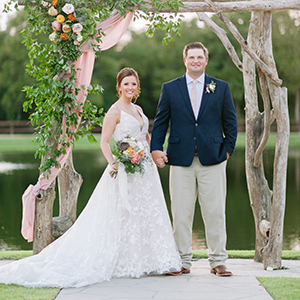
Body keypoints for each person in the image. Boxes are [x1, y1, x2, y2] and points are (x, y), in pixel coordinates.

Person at [0, 68, 182, 288]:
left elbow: (145, 136)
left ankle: (149, 259)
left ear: (137, 86)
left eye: (133, 84)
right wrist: (114, 162)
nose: (130, 88)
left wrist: (152, 155)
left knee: (144, 212)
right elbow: (105, 142)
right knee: (121, 213)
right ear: (119, 87)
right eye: (126, 84)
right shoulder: (115, 112)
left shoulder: (138, 109)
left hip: (144, 169)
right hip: (124, 168)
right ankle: (121, 260)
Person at [150, 42, 238, 276]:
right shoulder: (170, 88)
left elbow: (231, 123)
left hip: (214, 159)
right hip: (180, 159)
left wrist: (227, 150)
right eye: (192, 57)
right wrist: (156, 148)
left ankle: (218, 260)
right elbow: (160, 123)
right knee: (181, 212)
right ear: (185, 60)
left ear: (206, 60)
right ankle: (181, 260)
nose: (196, 61)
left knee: (215, 212)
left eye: (200, 57)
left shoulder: (220, 87)